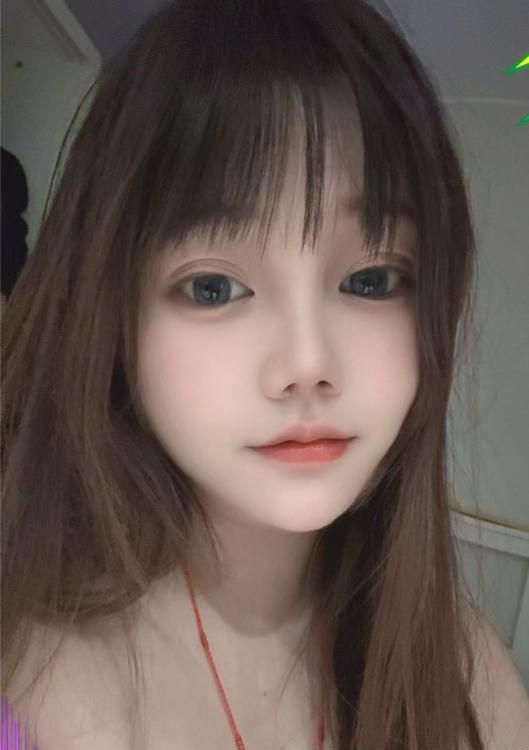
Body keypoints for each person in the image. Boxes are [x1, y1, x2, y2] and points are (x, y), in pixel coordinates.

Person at [1, 1, 528, 749]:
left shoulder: (470, 682)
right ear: (113, 317)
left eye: (372, 279)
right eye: (214, 287)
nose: (307, 364)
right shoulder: (36, 676)